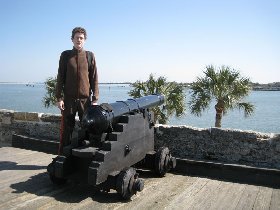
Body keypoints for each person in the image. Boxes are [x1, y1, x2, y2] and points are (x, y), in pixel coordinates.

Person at [55, 27, 99, 154]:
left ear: (84, 40)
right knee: (67, 130)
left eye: (81, 38)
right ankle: (62, 157)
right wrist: (59, 98)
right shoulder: (65, 55)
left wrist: (95, 99)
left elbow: (94, 78)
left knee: (87, 128)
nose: (79, 40)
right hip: (68, 100)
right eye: (76, 38)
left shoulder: (89, 56)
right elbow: (60, 77)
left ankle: (84, 157)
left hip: (85, 101)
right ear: (72, 39)